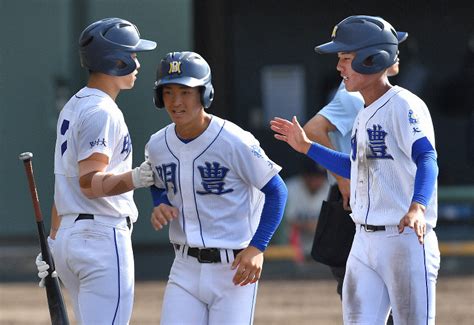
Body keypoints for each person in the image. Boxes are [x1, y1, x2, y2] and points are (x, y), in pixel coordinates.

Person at [270, 15, 440, 324]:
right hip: (364, 240)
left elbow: (427, 158)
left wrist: (418, 206)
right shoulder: (362, 114)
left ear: (372, 59)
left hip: (404, 239)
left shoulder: (405, 105)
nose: (339, 67)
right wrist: (308, 146)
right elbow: (353, 168)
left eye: (346, 58)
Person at [145, 51, 288, 325]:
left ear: (204, 94)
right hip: (183, 267)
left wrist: (258, 247)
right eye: (168, 92)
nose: (176, 102)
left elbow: (277, 191)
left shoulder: (235, 141)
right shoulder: (157, 145)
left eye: (185, 92)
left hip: (232, 269)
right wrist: (160, 202)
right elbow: (157, 181)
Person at [35, 18, 156, 324]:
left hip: (70, 239)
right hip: (100, 239)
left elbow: (65, 182)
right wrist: (137, 178)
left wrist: (52, 241)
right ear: (114, 59)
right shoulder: (101, 111)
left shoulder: (74, 105)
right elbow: (89, 182)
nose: (138, 63)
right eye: (132, 54)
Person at [284, 160, 329, 262]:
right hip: (291, 250)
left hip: (321, 252)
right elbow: (284, 223)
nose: (316, 180)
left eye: (319, 176)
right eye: (313, 176)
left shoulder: (330, 190)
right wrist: (309, 225)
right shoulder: (289, 188)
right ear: (304, 175)